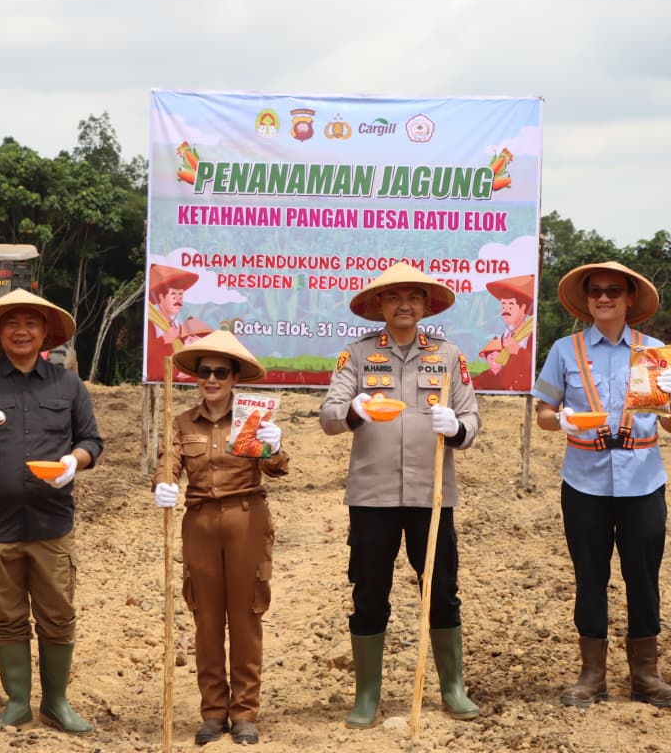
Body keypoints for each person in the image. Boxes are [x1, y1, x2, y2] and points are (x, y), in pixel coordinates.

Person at [319, 262, 482, 728]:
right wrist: (353, 408)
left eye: (412, 297)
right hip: (372, 495)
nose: (404, 304)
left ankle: (453, 688)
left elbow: (472, 419)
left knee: (442, 591)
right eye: (393, 297)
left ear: (426, 305)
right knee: (370, 592)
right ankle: (367, 694)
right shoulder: (356, 355)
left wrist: (456, 429)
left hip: (433, 497)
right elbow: (329, 416)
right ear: (379, 307)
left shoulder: (448, 355)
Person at [531, 261, 671, 709]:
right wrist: (557, 419)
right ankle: (592, 675)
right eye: (596, 291)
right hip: (584, 480)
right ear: (586, 299)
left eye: (613, 291)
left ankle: (646, 674)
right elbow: (545, 412)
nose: (604, 298)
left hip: (643, 478)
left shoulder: (652, 351)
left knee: (643, 576)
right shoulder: (566, 350)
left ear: (630, 298)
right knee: (589, 576)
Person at [0, 289, 103, 734]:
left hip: (53, 521)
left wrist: (75, 462)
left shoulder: (67, 384)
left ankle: (55, 702)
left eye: (31, 323)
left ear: (45, 334)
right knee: (7, 615)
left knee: (57, 614)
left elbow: (92, 440)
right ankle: (17, 701)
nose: (21, 331)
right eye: (12, 323)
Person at [152, 331, 288, 746]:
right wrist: (163, 484)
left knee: (246, 617)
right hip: (200, 524)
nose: (211, 379)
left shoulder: (252, 421)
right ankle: (213, 712)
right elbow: (168, 462)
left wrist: (274, 446)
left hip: (246, 519)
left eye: (220, 373)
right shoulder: (182, 421)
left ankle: (245, 712)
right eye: (204, 372)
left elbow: (277, 470)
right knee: (206, 619)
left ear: (234, 378)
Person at [146, 263, 213, 381]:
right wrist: (165, 340)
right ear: (161, 297)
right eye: (173, 294)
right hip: (161, 379)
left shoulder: (180, 327)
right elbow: (148, 356)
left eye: (181, 295)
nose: (178, 300)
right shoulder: (152, 323)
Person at [472, 274, 535, 391]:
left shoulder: (530, 333)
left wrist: (516, 350)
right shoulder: (506, 334)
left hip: (521, 391)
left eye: (510, 305)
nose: (505, 309)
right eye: (503, 304)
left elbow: (531, 365)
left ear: (523, 308)